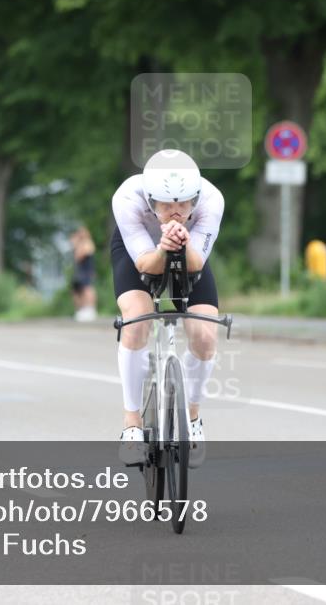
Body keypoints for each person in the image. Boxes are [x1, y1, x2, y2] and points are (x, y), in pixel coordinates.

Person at [111, 149, 224, 467]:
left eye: (184, 204)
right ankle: (132, 424)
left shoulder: (211, 199)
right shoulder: (127, 198)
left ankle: (192, 418)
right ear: (150, 201)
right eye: (165, 205)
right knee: (136, 322)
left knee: (205, 336)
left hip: (189, 252)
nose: (176, 212)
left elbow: (196, 263)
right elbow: (146, 264)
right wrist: (163, 248)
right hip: (138, 252)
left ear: (196, 198)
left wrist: (182, 244)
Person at [69, 225, 97, 322]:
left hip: (86, 271)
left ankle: (90, 309)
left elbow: (80, 256)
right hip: (79, 271)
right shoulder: (79, 244)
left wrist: (78, 245)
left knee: (87, 289)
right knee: (77, 291)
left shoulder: (88, 243)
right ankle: (81, 309)